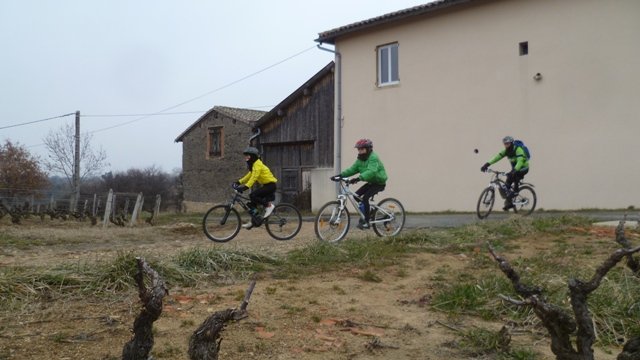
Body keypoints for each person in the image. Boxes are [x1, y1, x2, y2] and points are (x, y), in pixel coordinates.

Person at [332, 138, 388, 229]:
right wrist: (340, 175)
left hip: (379, 183)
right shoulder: (360, 159)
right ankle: (369, 211)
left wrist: (358, 178)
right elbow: (352, 169)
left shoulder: (373, 157)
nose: (360, 151)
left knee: (365, 198)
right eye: (359, 149)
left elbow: (371, 172)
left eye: (362, 149)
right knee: (356, 196)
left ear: (368, 149)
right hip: (370, 182)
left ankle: (366, 221)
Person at [480, 136, 530, 210]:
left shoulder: (518, 149)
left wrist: (515, 170)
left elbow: (520, 161)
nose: (506, 145)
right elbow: (497, 157)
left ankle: (516, 191)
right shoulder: (506, 151)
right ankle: (509, 203)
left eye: (508, 144)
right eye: (505, 144)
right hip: (515, 169)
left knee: (514, 176)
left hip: (523, 168)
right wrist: (487, 164)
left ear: (512, 143)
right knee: (507, 185)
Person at [234, 146, 277, 229]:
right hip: (266, 186)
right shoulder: (254, 165)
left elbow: (254, 177)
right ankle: (254, 221)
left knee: (253, 195)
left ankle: (268, 206)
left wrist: (245, 187)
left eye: (248, 156)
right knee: (251, 205)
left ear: (253, 156)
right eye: (245, 156)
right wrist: (238, 182)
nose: (246, 158)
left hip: (270, 186)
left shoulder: (258, 165)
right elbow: (249, 176)